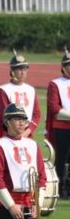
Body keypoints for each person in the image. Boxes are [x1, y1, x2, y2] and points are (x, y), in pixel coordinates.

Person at [0, 52, 40, 141]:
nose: (23, 72)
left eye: (25, 69)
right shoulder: (4, 90)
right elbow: (5, 115)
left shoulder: (31, 90)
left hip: (27, 134)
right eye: (19, 69)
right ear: (12, 71)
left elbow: (37, 114)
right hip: (9, 135)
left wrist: (28, 131)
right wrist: (17, 132)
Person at [45, 47, 70, 199]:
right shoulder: (55, 84)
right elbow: (54, 107)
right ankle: (60, 188)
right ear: (63, 67)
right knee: (61, 159)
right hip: (61, 127)